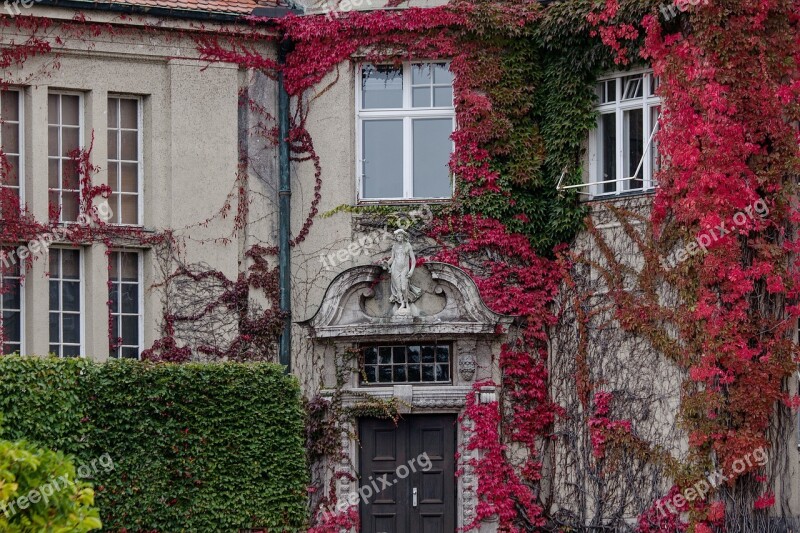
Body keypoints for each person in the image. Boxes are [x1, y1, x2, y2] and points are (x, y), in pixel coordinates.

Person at [384, 229, 422, 313]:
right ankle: (402, 304)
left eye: (401, 236)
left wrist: (411, 270)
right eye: (398, 236)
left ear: (404, 237)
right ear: (396, 237)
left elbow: (413, 259)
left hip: (404, 268)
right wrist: (387, 263)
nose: (400, 238)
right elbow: (392, 258)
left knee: (404, 288)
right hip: (395, 268)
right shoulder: (394, 246)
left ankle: (407, 304)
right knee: (398, 288)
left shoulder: (407, 245)